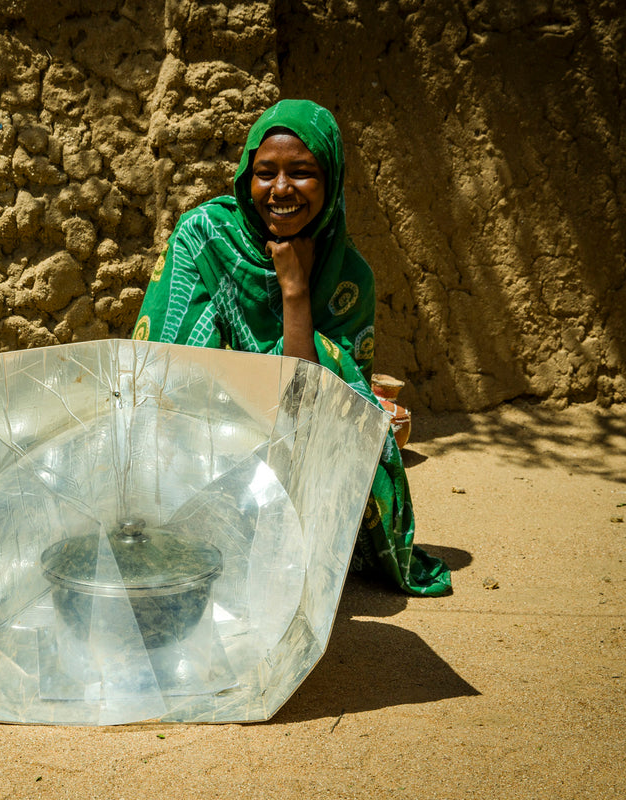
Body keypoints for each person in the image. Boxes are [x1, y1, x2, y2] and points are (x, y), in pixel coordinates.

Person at [132, 99, 451, 596]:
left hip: (293, 453)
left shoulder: (348, 278)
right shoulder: (204, 238)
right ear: (246, 178)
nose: (280, 190)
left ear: (331, 181)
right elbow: (170, 372)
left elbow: (312, 404)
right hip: (199, 445)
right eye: (266, 173)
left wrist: (295, 290)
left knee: (330, 373)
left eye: (301, 173)